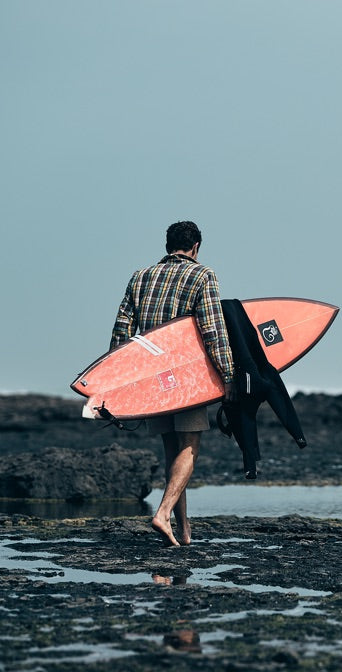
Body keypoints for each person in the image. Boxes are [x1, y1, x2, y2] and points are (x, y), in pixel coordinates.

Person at [109, 220, 235, 547]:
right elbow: (214, 332)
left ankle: (183, 530)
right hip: (186, 379)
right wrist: (228, 377)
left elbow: (121, 334)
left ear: (168, 245)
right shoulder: (202, 275)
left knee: (171, 451)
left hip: (153, 379)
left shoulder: (141, 277)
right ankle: (162, 514)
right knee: (190, 446)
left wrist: (118, 387)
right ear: (196, 247)